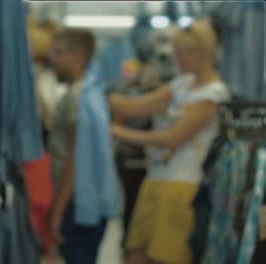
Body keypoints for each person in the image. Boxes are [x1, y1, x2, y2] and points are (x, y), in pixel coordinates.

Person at [109, 20, 230, 264]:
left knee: (167, 257)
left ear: (202, 52)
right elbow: (137, 105)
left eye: (183, 52)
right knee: (135, 253)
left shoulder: (213, 95)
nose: (177, 58)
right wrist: (96, 95)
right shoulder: (181, 84)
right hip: (155, 180)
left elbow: (171, 138)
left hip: (183, 187)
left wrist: (117, 132)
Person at [47, 28, 106, 264]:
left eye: (59, 52)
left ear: (78, 56)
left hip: (77, 202)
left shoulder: (78, 98)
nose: (54, 59)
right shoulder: (91, 91)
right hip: (83, 200)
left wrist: (58, 209)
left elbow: (76, 157)